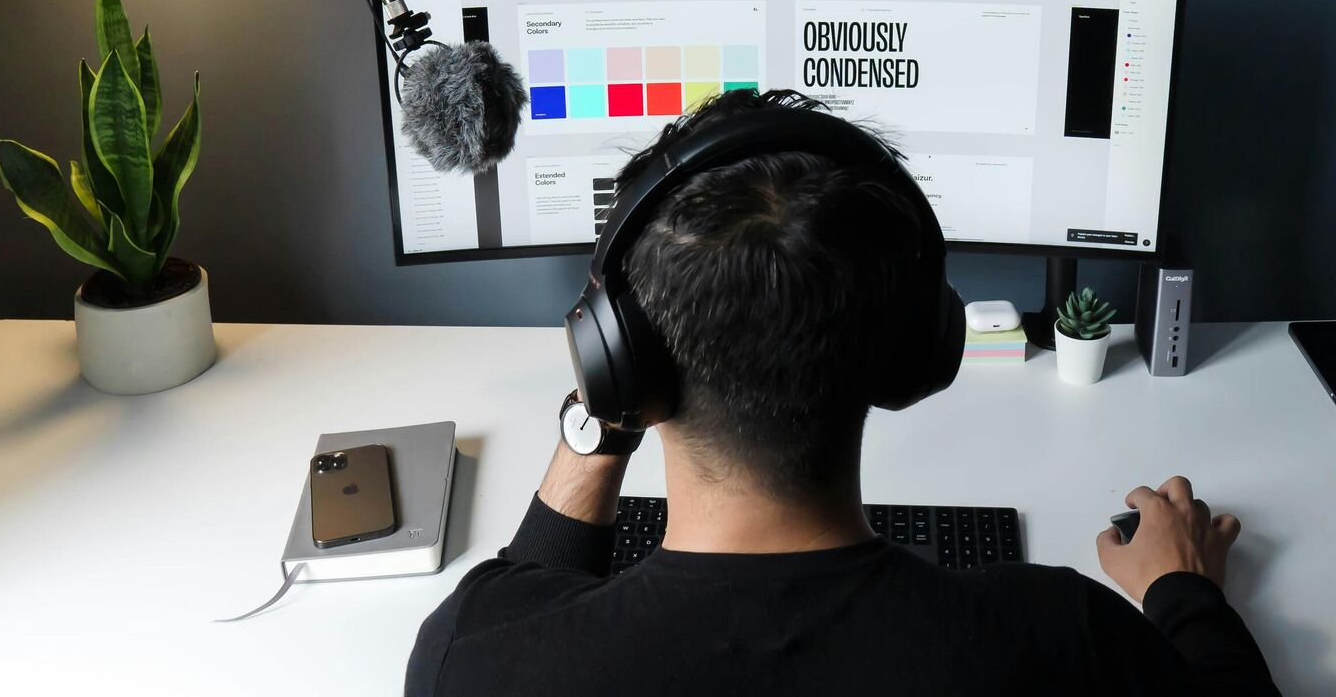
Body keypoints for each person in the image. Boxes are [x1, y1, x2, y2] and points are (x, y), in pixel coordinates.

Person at [406, 90, 1278, 696]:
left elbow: (528, 587)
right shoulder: (1062, 639)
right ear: (915, 352)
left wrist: (602, 415)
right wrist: (1184, 590)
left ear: (618, 361)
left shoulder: (473, 656)